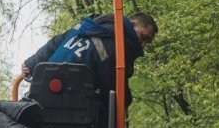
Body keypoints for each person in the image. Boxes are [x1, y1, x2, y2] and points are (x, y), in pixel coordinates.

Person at [21, 12, 157, 106]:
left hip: (40, 93)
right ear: (132, 25)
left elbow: (58, 41)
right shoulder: (117, 46)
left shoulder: (89, 26)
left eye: (147, 42)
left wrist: (32, 62)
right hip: (69, 104)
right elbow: (111, 86)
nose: (143, 45)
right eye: (143, 37)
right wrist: (126, 100)